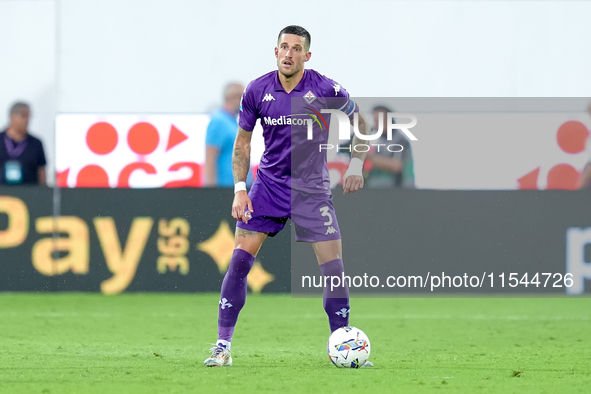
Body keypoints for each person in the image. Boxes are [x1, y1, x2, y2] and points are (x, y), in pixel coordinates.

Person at [204, 25, 372, 367]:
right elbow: (242, 143)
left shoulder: (326, 88)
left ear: (306, 56)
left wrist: (356, 164)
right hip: (268, 187)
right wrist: (240, 190)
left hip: (312, 190)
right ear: (276, 51)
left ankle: (342, 345)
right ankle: (222, 346)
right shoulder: (257, 90)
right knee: (238, 262)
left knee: (334, 270)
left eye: (297, 48)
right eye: (284, 47)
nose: (289, 53)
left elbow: (361, 124)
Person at [364, 105, 415, 188]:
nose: (374, 126)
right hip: (380, 189)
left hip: (400, 191)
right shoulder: (380, 141)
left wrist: (366, 155)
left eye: (377, 121)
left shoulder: (400, 141)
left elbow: (397, 165)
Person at [205, 82, 245, 187]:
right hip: (225, 190)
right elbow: (210, 158)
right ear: (233, 98)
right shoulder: (218, 121)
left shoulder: (233, 122)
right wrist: (210, 192)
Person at [0, 102, 46, 185]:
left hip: (29, 193)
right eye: (23, 116)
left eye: (29, 116)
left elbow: (41, 171)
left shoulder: (36, 143)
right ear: (12, 117)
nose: (27, 120)